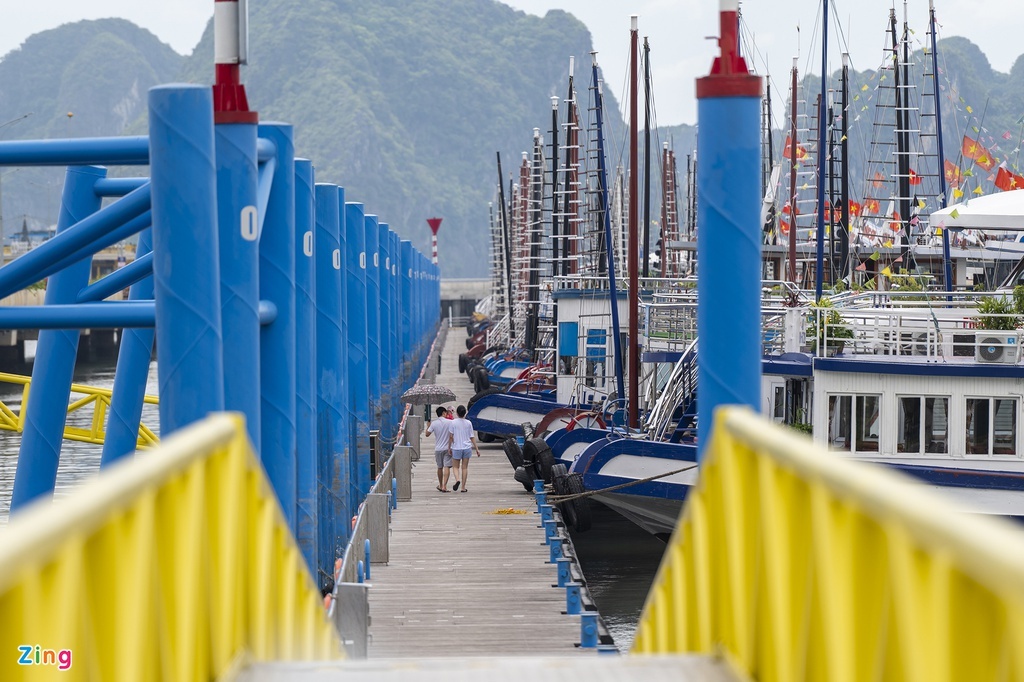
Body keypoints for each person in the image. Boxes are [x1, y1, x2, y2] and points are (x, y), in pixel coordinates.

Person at [450, 404, 480, 492]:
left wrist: (449, 447)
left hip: (456, 447)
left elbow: (451, 436)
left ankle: (457, 480)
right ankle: (463, 487)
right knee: (464, 468)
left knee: (455, 467)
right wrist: (477, 449)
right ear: (464, 413)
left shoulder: (453, 422)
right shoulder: (468, 423)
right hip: (467, 447)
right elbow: (472, 437)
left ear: (457, 413)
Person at [426, 406, 454, 492]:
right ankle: (444, 486)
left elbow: (427, 434)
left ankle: (440, 484)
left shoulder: (434, 423)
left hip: (438, 449)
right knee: (447, 467)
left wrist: (428, 426)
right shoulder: (450, 422)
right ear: (443, 413)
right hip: (447, 448)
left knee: (439, 467)